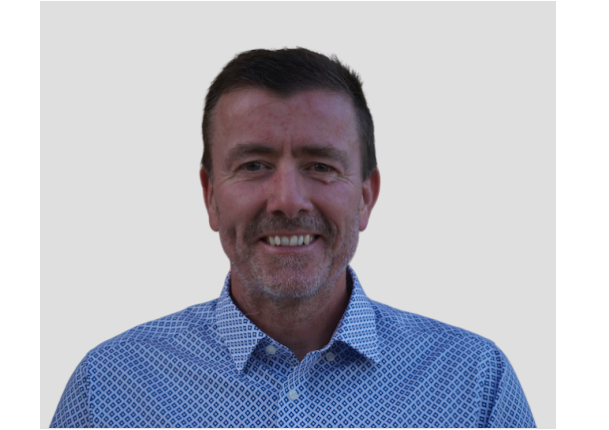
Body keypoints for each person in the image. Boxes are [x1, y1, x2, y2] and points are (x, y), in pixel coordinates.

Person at [51, 48, 535, 428]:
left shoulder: (473, 385)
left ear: (366, 197)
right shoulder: (110, 388)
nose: (287, 200)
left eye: (320, 166)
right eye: (253, 165)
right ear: (210, 195)